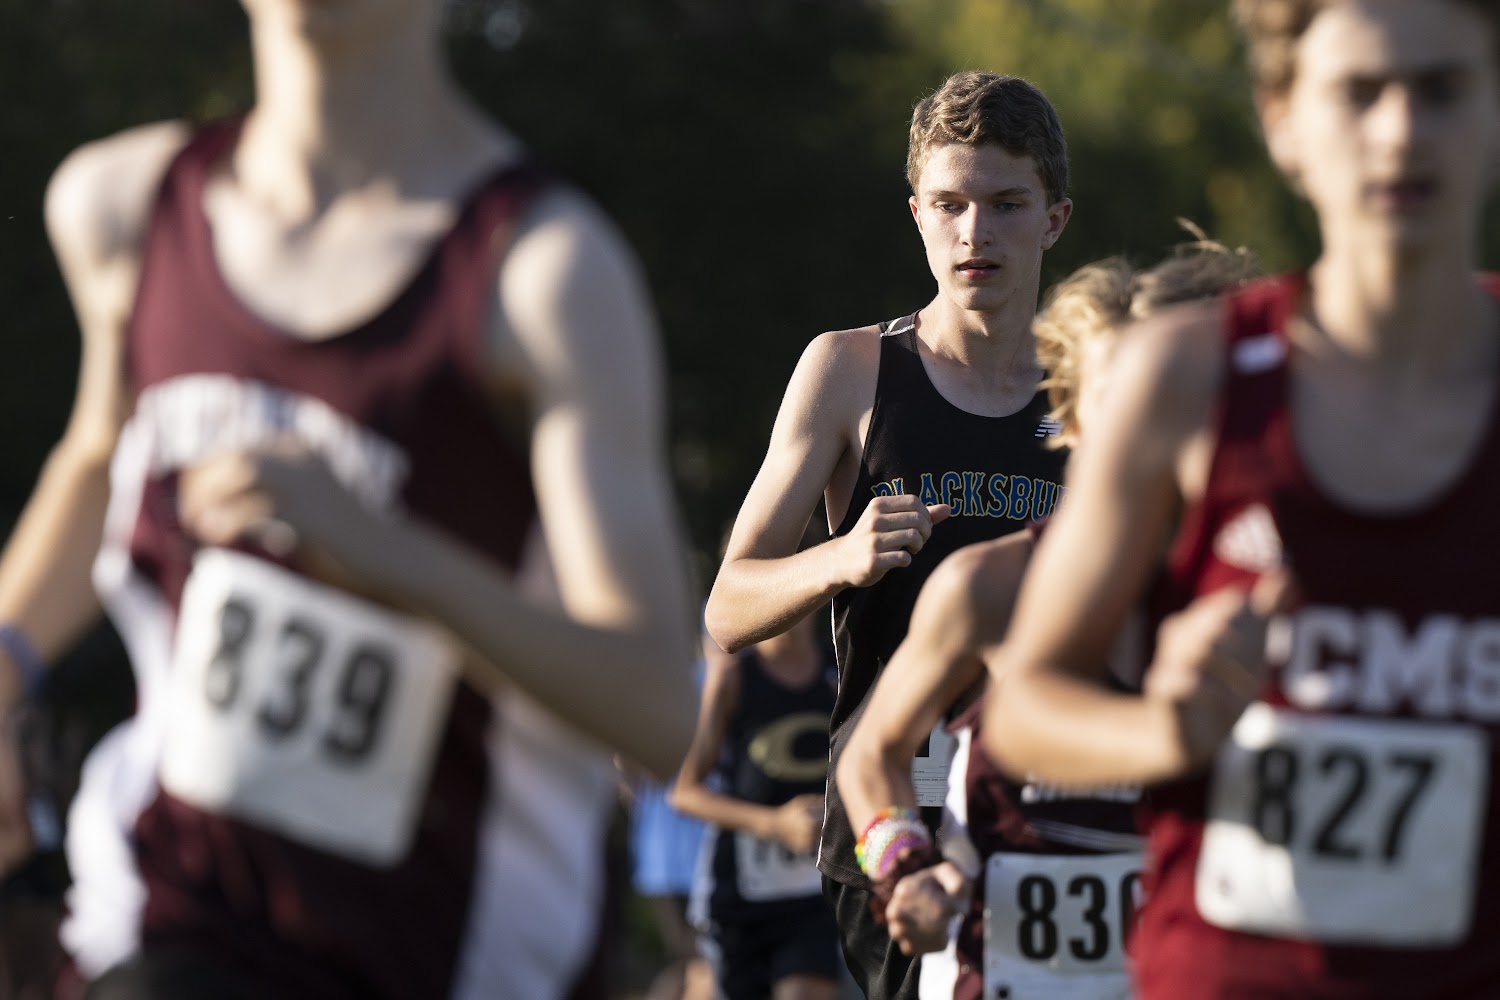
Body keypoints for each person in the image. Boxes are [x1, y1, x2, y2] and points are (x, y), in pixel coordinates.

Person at [1, 0, 697, 995]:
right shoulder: (126, 206)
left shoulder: (545, 275)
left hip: (449, 953)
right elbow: (98, 455)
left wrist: (388, 556)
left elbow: (657, 707)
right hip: (175, 914)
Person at [986, 1, 1500, 996]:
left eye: (1442, 89)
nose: (1401, 132)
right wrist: (1165, 727)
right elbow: (1026, 705)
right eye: (1359, 93)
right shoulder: (1187, 376)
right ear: (1283, 119)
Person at [704, 70, 1073, 998]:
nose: (975, 233)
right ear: (917, 214)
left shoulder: (1095, 392)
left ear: (1055, 219)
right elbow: (726, 608)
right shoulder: (850, 371)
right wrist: (840, 557)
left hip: (1058, 817)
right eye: (949, 205)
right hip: (892, 814)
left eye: (1006, 204)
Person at [836, 239, 1254, 1000]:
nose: (1148, 431)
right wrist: (904, 866)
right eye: (1121, 404)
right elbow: (872, 756)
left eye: (1175, 402)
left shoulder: (1265, 595)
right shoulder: (991, 586)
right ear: (1070, 412)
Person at [670, 611, 841, 1000]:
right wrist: (774, 824)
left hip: (813, 895)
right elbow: (685, 792)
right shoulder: (733, 677)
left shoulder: (840, 670)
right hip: (741, 893)